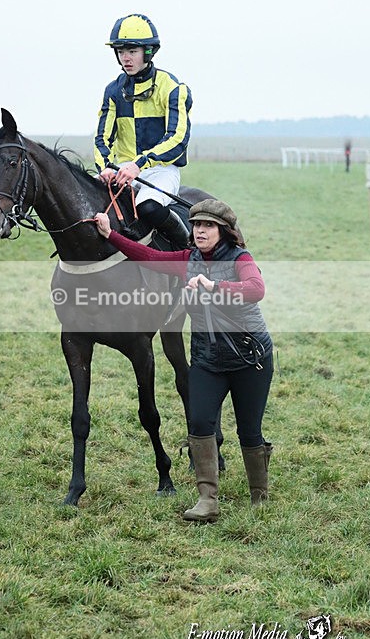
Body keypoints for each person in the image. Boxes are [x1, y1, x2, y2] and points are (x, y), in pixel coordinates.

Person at [94, 198, 274, 522]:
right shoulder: (188, 260)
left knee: (249, 432)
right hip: (207, 359)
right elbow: (148, 256)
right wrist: (111, 235)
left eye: (207, 226)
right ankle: (208, 500)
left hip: (250, 358)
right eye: (196, 225)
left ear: (224, 231)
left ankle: (259, 495)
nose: (200, 231)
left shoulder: (240, 259)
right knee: (201, 423)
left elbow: (256, 289)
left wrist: (213, 285)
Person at [94, 13, 192, 249]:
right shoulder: (113, 90)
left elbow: (177, 139)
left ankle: (187, 252)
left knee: (148, 205)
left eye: (132, 51)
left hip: (160, 171)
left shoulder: (173, 88)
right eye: (120, 52)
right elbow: (102, 138)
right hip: (121, 171)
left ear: (148, 52)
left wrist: (138, 164)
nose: (125, 58)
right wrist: (106, 166)